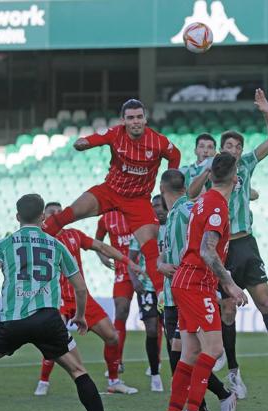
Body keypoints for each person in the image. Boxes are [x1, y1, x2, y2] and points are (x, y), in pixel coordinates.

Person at [0, 194, 117, 411]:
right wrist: (81, 316)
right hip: (49, 322)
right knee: (78, 370)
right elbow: (80, 288)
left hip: (13, 321)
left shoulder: (4, 244)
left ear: (17, 217)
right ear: (43, 218)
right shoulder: (56, 244)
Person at [188, 89, 268, 396]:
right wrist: (208, 169)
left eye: (238, 146)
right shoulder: (212, 172)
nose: (235, 150)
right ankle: (234, 372)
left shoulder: (248, 164)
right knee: (228, 311)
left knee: (264, 302)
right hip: (222, 249)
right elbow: (190, 195)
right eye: (229, 145)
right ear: (221, 150)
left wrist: (266, 111)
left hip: (246, 245)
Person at [42, 98, 181, 307]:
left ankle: (162, 294)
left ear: (145, 119)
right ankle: (33, 237)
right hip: (110, 191)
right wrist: (83, 143)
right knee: (70, 213)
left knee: (150, 246)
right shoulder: (116, 134)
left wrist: (167, 183)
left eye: (139, 117)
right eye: (131, 118)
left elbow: (175, 155)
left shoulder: (158, 142)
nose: (135, 122)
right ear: (123, 120)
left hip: (138, 200)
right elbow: (93, 139)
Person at [161, 153, 248, 411]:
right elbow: (207, 250)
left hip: (184, 281)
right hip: (196, 282)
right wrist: (231, 285)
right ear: (235, 179)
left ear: (210, 175)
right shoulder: (216, 206)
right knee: (214, 349)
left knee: (190, 352)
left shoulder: (200, 201)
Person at [34, 202, 141, 397]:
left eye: (60, 212)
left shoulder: (74, 235)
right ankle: (43, 381)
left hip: (80, 296)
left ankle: (114, 381)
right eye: (52, 213)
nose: (58, 216)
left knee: (112, 336)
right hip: (54, 298)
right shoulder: (39, 239)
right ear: (43, 218)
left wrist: (127, 261)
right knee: (51, 340)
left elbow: (100, 245)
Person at [128, 195, 167, 392]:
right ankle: (155, 374)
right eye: (154, 207)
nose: (157, 210)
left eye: (159, 206)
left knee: (171, 331)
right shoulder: (143, 231)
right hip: (147, 287)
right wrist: (135, 281)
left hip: (169, 287)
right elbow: (131, 259)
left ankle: (179, 373)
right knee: (152, 329)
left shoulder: (173, 227)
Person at [94, 210, 135, 372]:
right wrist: (101, 256)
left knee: (153, 319)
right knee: (121, 310)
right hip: (122, 270)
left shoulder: (137, 211)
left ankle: (156, 364)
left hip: (145, 268)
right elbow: (97, 241)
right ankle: (117, 361)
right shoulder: (105, 219)